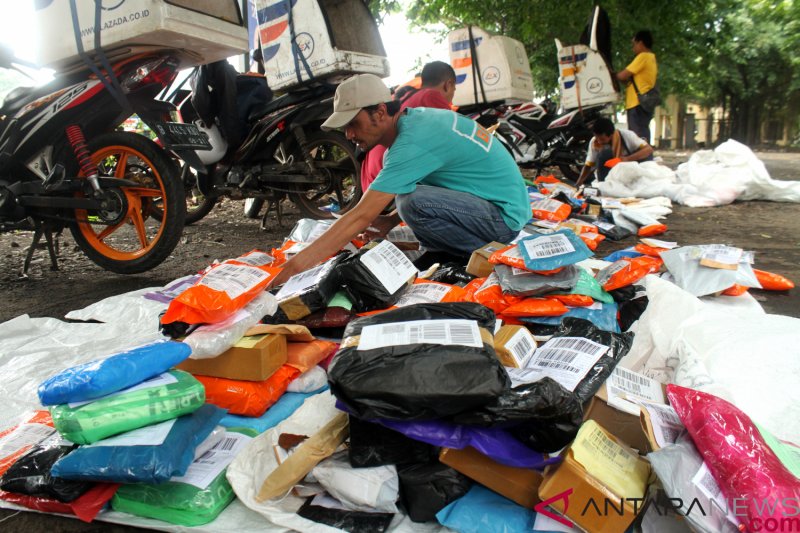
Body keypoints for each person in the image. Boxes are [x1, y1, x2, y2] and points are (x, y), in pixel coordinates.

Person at [269, 73, 530, 287]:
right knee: (407, 201)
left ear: (380, 112)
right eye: (344, 127)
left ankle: (472, 256)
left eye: (353, 123)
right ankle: (446, 253)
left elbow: (360, 216)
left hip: (503, 220)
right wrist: (390, 221)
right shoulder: (416, 124)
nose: (348, 134)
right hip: (497, 207)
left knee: (410, 202)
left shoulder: (411, 142)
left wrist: (290, 270)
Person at [359, 61, 457, 192]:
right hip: (387, 181)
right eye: (454, 90)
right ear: (448, 85)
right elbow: (454, 136)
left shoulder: (408, 95)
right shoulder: (431, 96)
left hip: (370, 179)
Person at [574, 117, 654, 188]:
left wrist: (626, 159)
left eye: (602, 139)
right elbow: (588, 165)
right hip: (610, 174)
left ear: (611, 135)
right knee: (604, 153)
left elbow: (648, 150)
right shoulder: (594, 142)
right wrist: (578, 183)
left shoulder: (627, 135)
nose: (599, 141)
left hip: (630, 171)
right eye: (597, 138)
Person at [616, 30, 657, 143]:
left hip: (637, 103)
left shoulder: (643, 56)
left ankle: (642, 159)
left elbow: (623, 75)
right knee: (641, 134)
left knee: (637, 138)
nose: (633, 48)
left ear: (641, 43)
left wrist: (611, 73)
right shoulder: (651, 58)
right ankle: (643, 159)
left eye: (634, 44)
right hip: (642, 103)